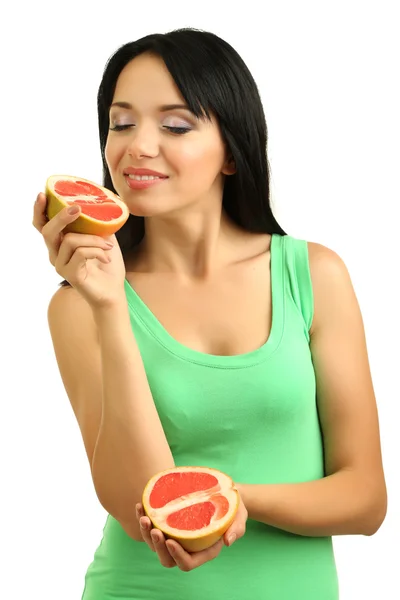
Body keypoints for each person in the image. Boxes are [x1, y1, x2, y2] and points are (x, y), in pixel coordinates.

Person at [32, 28, 387, 600]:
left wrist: (230, 499)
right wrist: (109, 305)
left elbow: (366, 499)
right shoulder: (79, 305)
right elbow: (136, 509)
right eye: (121, 123)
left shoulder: (313, 275)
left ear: (231, 150)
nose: (137, 146)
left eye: (174, 126)